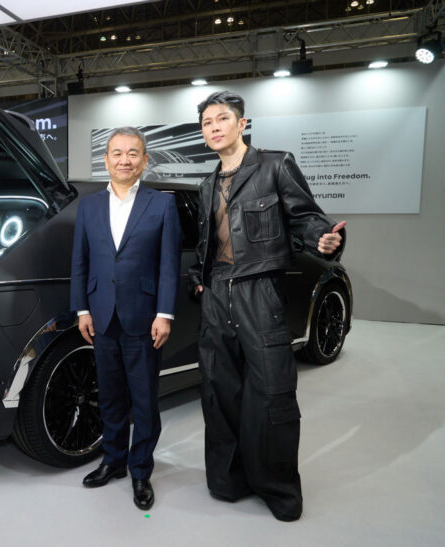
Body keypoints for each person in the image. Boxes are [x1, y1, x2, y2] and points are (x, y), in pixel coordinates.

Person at [189, 91, 346, 521]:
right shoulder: (206, 185)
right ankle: (228, 480)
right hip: (217, 293)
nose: (214, 127)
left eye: (222, 119)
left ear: (242, 124)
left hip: (260, 290)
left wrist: (323, 239)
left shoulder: (275, 165)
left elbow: (305, 217)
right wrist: (199, 281)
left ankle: (277, 489)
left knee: (271, 391)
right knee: (219, 391)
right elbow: (208, 245)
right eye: (206, 122)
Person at [70, 127, 181, 510]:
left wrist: (164, 313)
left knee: (144, 400)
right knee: (110, 396)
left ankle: (140, 471)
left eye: (133, 153)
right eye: (117, 153)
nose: (124, 160)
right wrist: (82, 309)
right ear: (106, 160)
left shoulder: (161, 204)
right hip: (101, 316)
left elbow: (168, 265)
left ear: (144, 160)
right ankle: (113, 461)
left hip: (144, 317)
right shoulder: (89, 207)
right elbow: (80, 262)